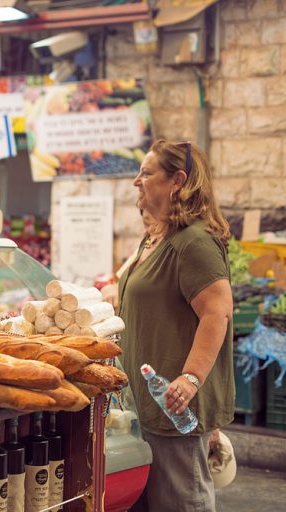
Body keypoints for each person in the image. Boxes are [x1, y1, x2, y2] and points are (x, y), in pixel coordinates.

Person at [118, 140, 234, 512]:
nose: (137, 181)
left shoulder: (194, 242)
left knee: (182, 501)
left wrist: (191, 378)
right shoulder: (156, 239)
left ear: (177, 181)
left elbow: (217, 313)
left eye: (147, 173)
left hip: (175, 404)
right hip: (147, 402)